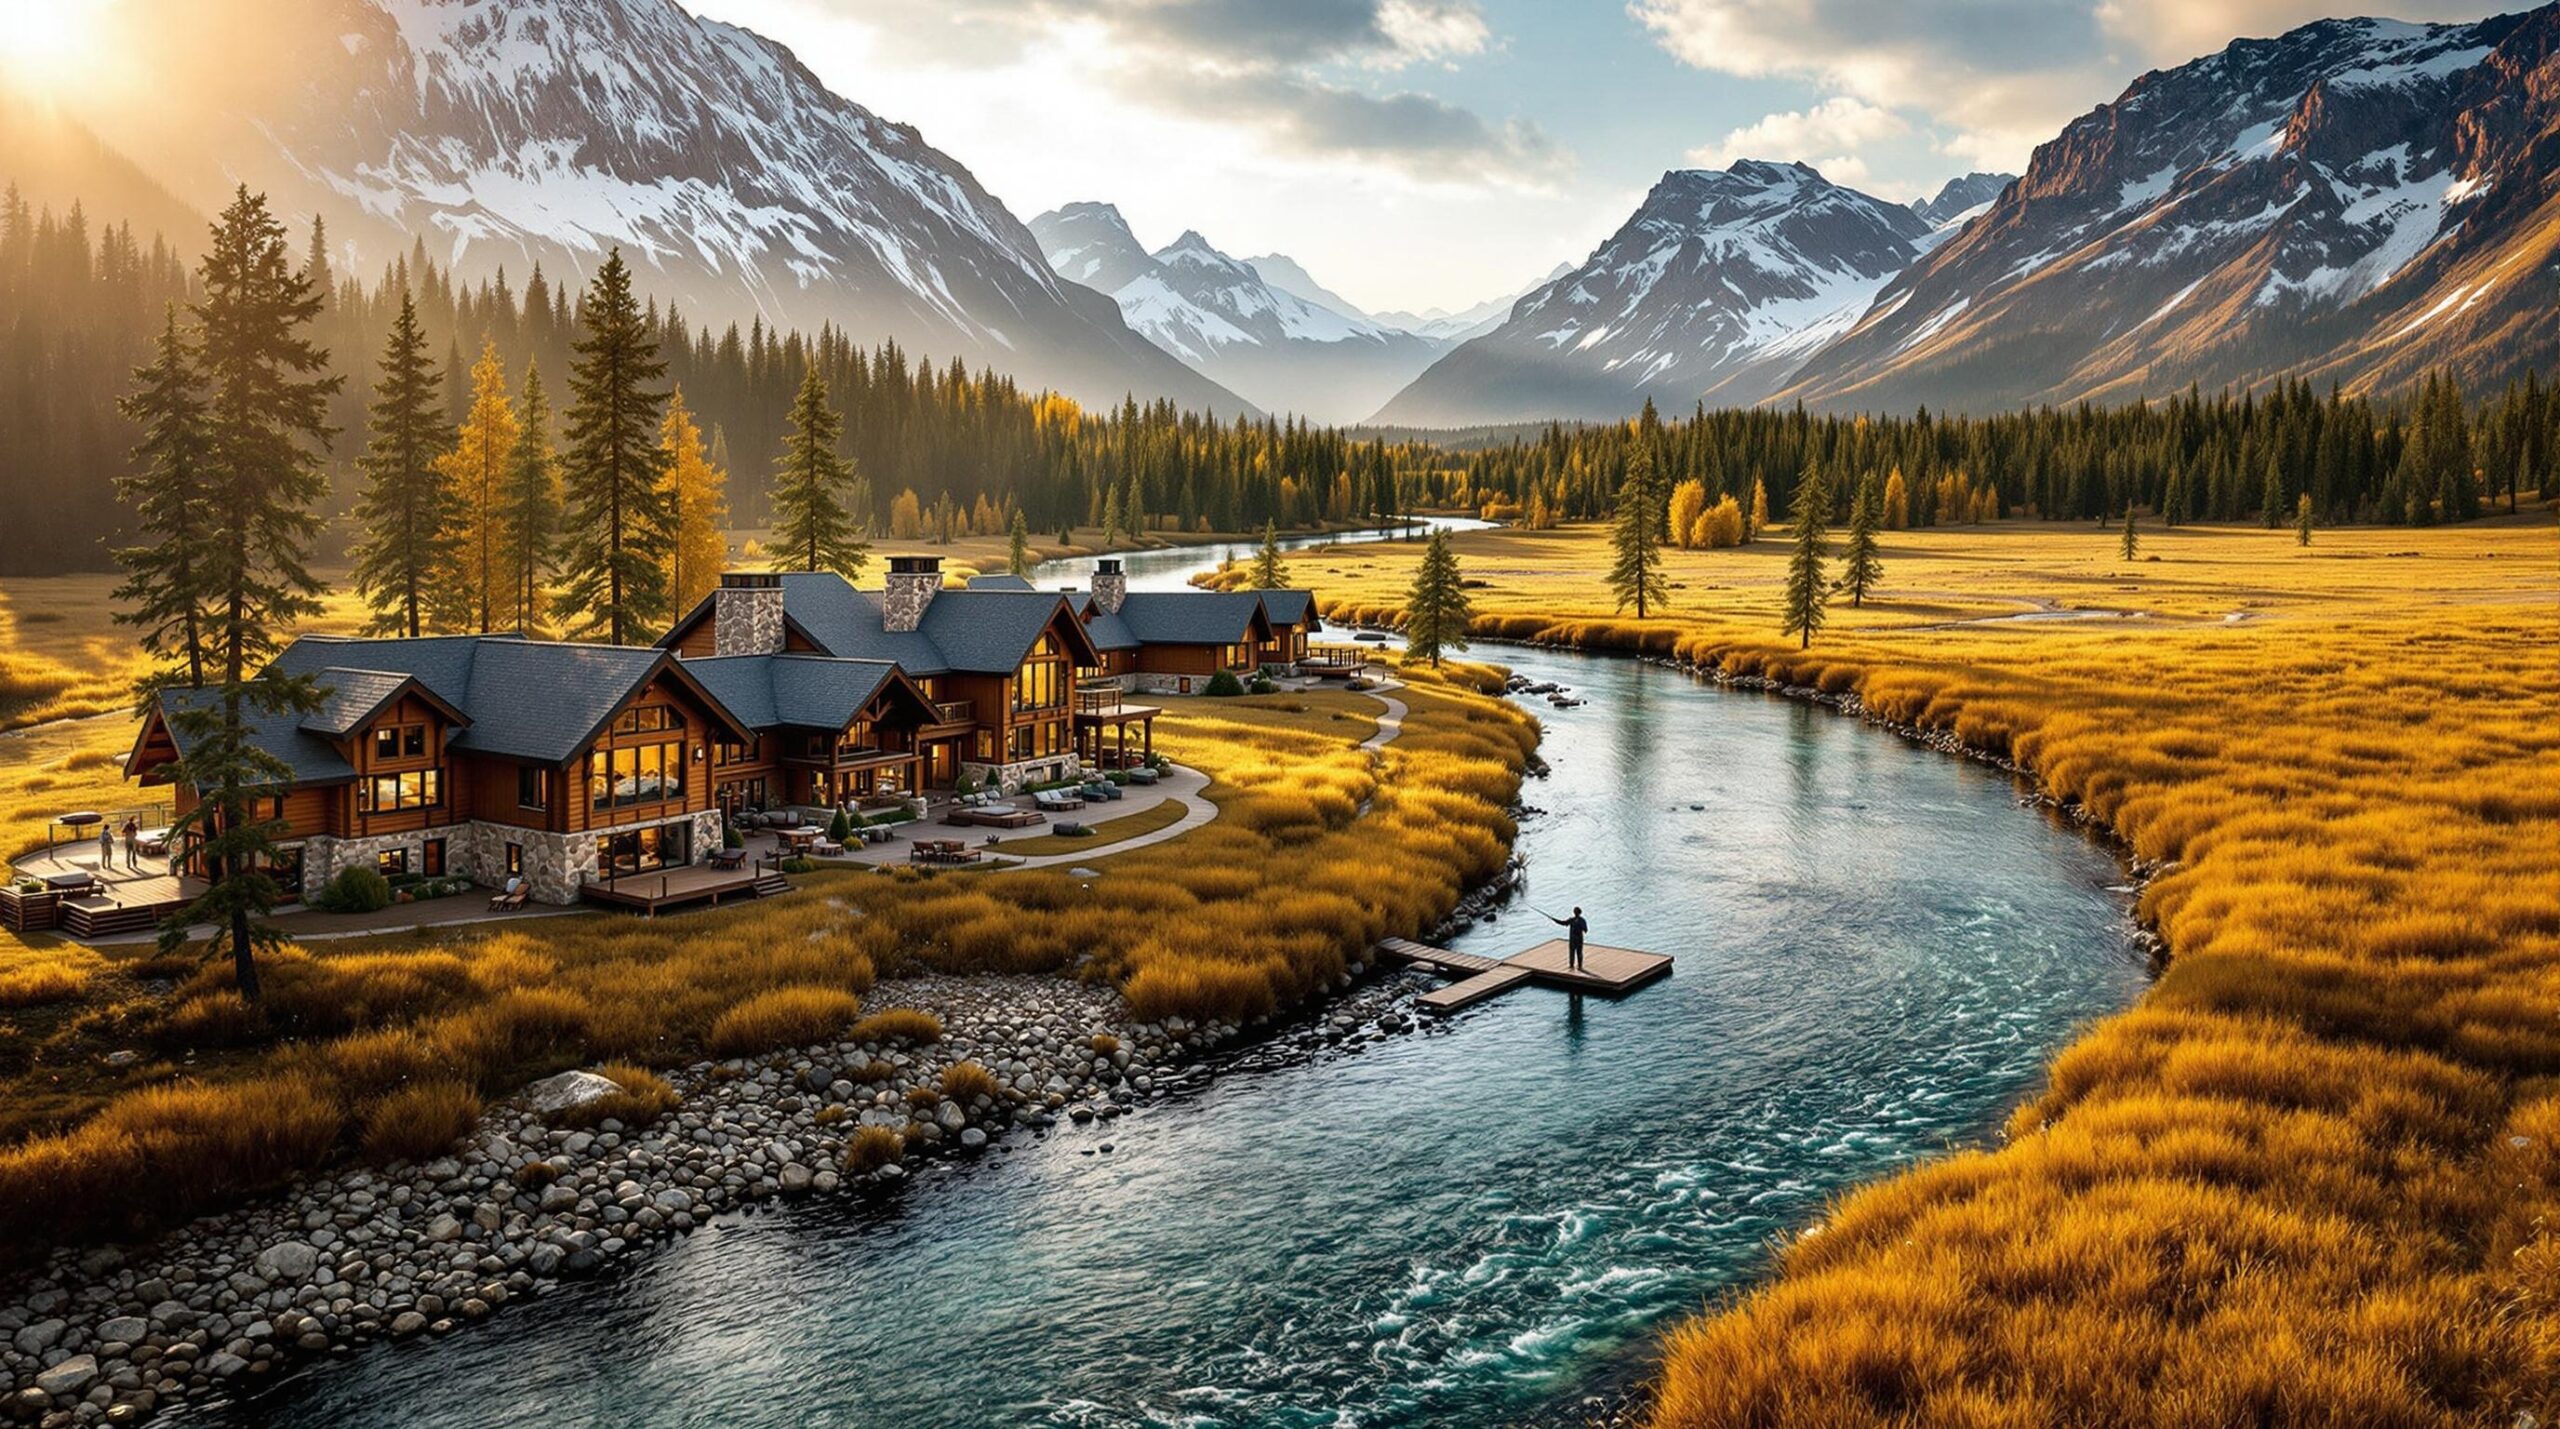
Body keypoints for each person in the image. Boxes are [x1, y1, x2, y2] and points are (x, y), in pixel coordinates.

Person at [1547, 906, 1588, 971]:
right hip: (1573, 939)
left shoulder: (1581, 920)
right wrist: (1555, 920)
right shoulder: (1572, 919)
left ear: (1578, 913)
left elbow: (1585, 930)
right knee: (1572, 952)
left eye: (1576, 911)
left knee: (1579, 952)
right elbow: (1563, 923)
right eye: (1574, 911)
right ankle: (1571, 965)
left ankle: (1579, 966)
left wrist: (1580, 927)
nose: (1575, 913)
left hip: (1578, 939)